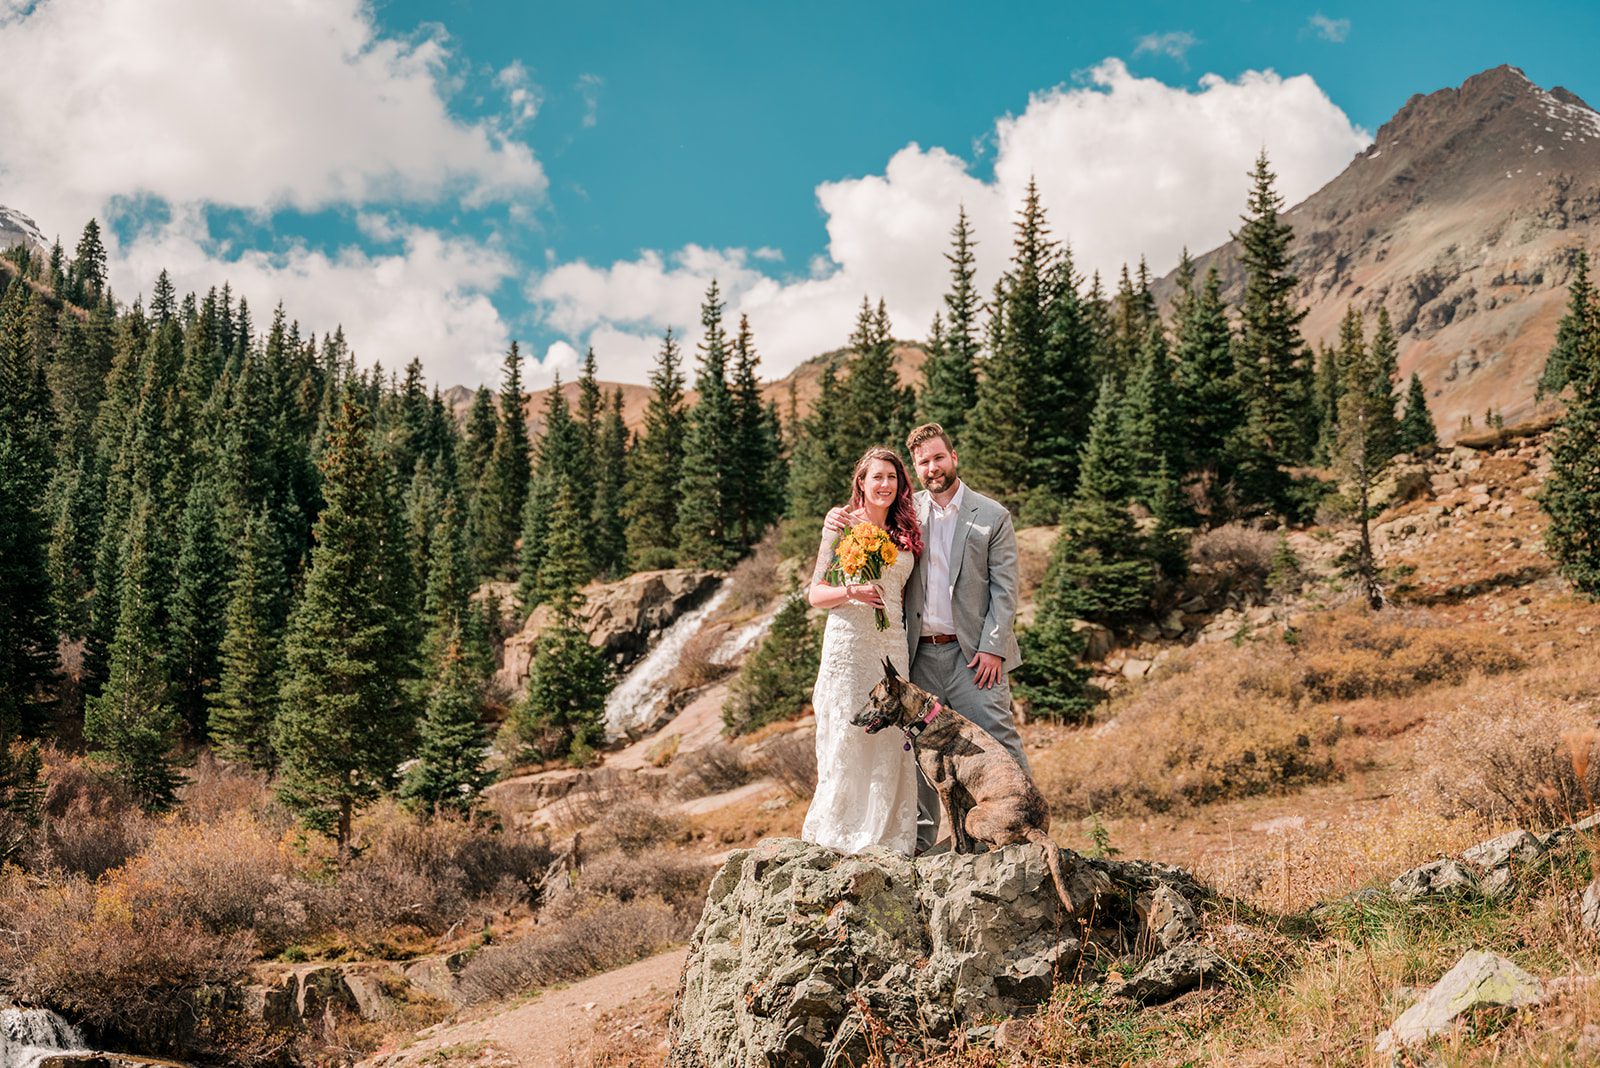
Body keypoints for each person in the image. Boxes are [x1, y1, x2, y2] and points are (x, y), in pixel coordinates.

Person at [900, 422, 1027, 854]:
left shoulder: (991, 515)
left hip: (975, 657)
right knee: (922, 752)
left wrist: (993, 647)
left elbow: (1005, 589)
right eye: (923, 462)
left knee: (996, 739)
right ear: (916, 469)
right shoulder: (908, 513)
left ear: (954, 457)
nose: (932, 467)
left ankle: (1022, 829)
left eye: (938, 457)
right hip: (920, 657)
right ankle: (922, 842)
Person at [800, 446, 924, 856]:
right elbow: (815, 594)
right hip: (849, 643)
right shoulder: (839, 524)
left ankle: (886, 834)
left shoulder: (907, 531)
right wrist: (851, 589)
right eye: (877, 477)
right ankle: (839, 831)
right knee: (846, 732)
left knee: (891, 737)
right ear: (862, 482)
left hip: (892, 646)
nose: (885, 485)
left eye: (892, 478)